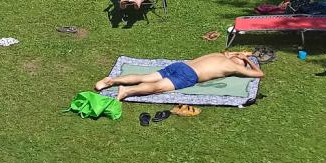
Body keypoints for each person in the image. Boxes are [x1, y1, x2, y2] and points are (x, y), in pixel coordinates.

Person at [95, 51, 264, 101]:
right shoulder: (233, 66)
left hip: (180, 65)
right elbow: (259, 74)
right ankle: (125, 91)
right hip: (189, 75)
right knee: (157, 88)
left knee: (146, 77)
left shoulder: (219, 55)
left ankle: (112, 81)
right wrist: (247, 60)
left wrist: (239, 54)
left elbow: (227, 53)